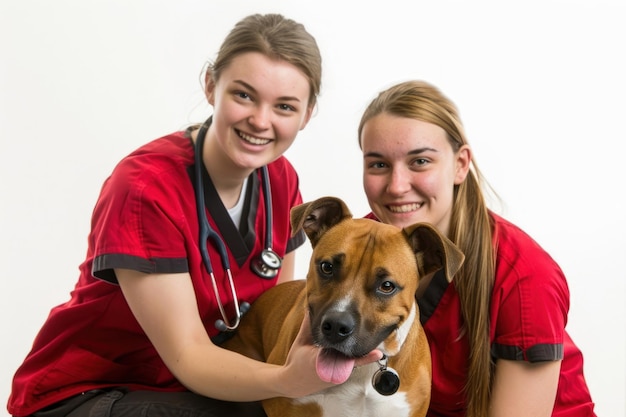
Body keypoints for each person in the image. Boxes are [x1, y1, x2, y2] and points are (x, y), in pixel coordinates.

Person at [7, 13, 381, 417]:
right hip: (92, 390)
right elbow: (188, 355)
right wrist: (287, 380)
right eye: (243, 95)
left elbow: (278, 308)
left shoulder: (281, 180)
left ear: (307, 114)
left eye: (285, 106)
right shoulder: (145, 188)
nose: (260, 120)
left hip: (202, 387)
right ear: (210, 86)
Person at [357, 80, 596, 417]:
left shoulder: (523, 276)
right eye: (378, 164)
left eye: (420, 162)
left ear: (460, 164)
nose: (397, 187)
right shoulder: (357, 243)